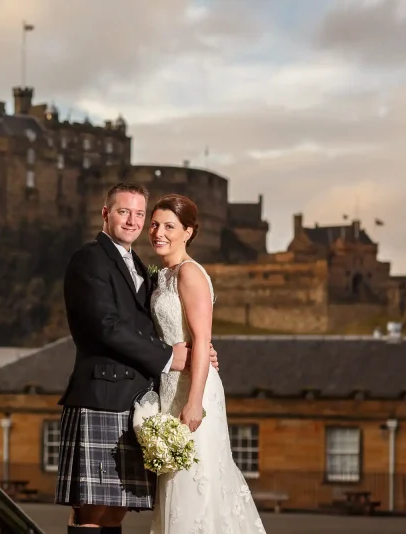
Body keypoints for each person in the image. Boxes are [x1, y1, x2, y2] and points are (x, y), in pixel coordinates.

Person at [55, 183, 220, 534]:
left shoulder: (142, 268)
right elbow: (105, 326)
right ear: (105, 213)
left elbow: (153, 326)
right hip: (101, 396)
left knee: (116, 511)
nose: (133, 221)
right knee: (91, 512)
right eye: (123, 211)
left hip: (134, 401)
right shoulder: (89, 259)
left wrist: (196, 350)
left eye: (139, 214)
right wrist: (170, 357)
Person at [148, 194, 265, 533]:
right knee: (174, 484)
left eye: (169, 226)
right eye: (155, 224)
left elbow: (201, 340)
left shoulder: (189, 274)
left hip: (194, 389)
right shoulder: (161, 275)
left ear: (188, 231)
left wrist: (195, 402)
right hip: (171, 387)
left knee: (195, 482)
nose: (158, 232)